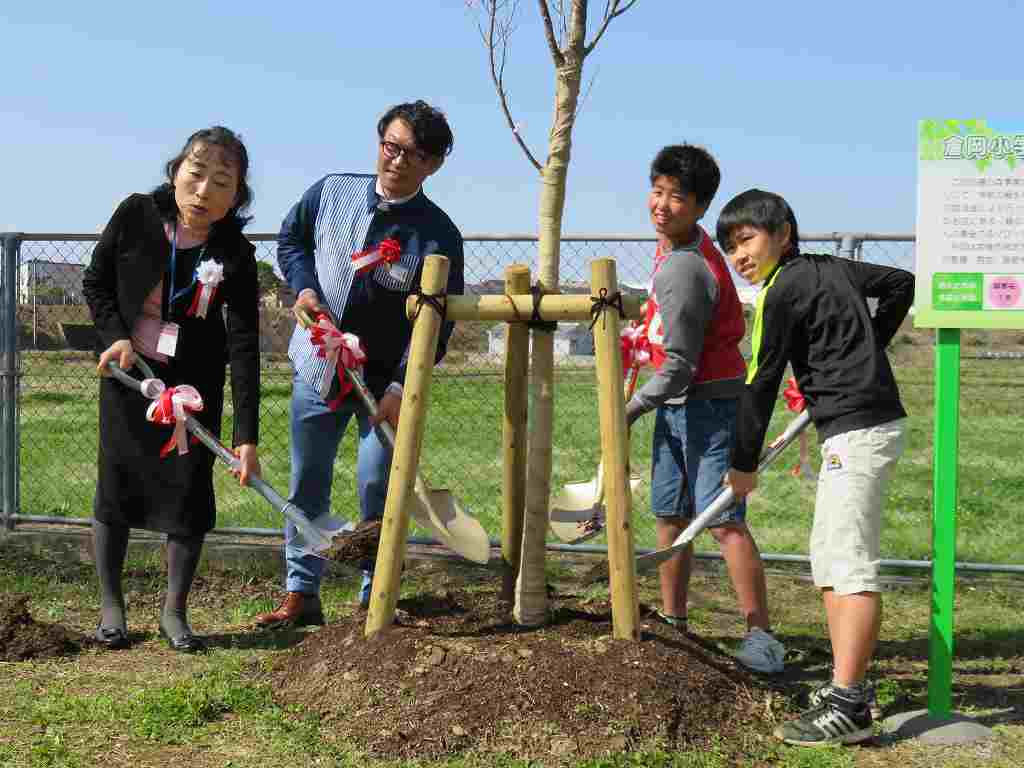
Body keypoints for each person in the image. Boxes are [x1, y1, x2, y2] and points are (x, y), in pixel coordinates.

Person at [254, 100, 464, 628]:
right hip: (319, 369)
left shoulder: (438, 234)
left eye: (413, 155)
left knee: (378, 485)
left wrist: (400, 386)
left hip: (384, 386)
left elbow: (436, 326)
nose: (396, 161)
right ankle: (302, 593)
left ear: (434, 164)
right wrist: (302, 287)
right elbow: (292, 240)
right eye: (390, 146)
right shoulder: (331, 192)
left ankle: (377, 594)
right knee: (308, 483)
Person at [718, 189, 912, 746]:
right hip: (860, 423)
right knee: (828, 555)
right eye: (731, 247)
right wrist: (870, 344)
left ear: (782, 233)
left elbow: (760, 380)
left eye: (747, 239)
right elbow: (901, 283)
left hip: (857, 429)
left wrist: (742, 464)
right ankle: (842, 687)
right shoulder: (831, 268)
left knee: (846, 563)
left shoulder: (779, 294)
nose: (739, 256)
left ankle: (849, 704)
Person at [82, 127, 261, 653]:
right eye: (196, 173)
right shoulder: (135, 215)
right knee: (115, 487)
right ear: (176, 171)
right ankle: (112, 607)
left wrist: (246, 436)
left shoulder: (237, 253)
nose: (204, 190)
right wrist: (115, 338)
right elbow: (96, 282)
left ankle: (174, 612)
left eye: (221, 182)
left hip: (192, 389)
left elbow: (245, 344)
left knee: (187, 494)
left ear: (236, 197)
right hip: (130, 377)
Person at [624, 145, 785, 674]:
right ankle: (674, 621)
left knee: (722, 520)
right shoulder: (674, 249)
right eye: (658, 190)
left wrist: (629, 408)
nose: (662, 204)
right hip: (680, 403)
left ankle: (760, 634)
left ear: (700, 206)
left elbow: (681, 364)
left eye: (677, 197)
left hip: (709, 405)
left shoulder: (687, 267)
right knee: (670, 514)